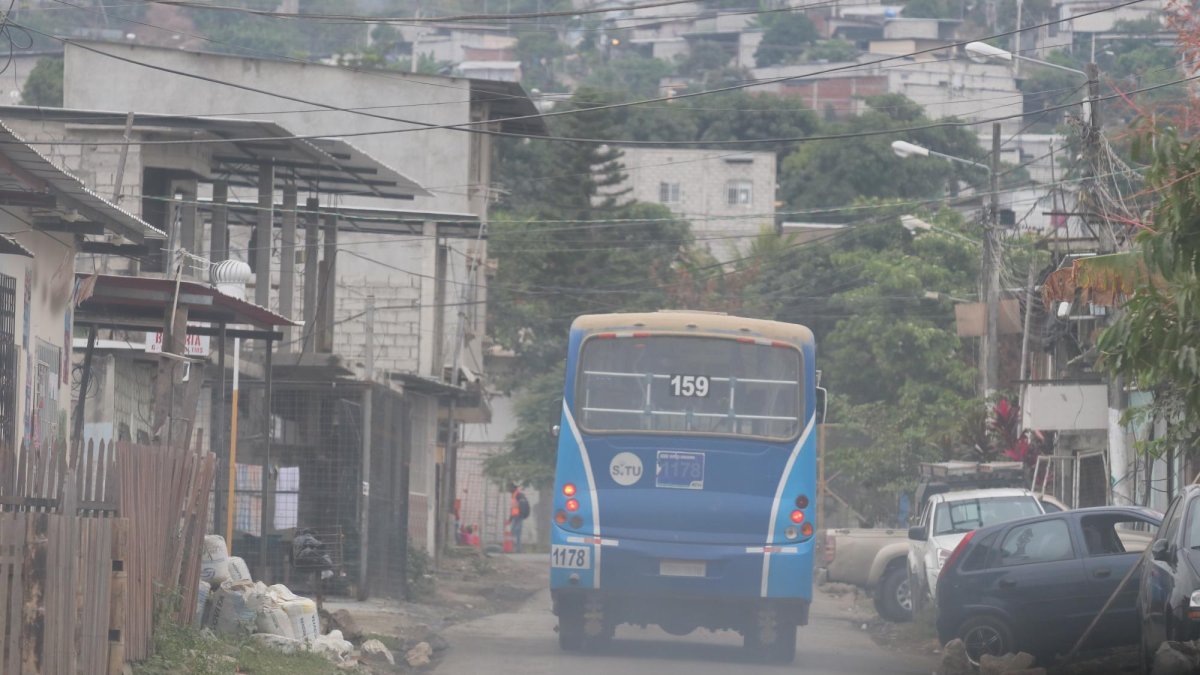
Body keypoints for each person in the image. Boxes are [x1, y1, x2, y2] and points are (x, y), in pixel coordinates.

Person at [507, 482, 530, 553]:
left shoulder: (519, 495)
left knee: (516, 531)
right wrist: (510, 519)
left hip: (518, 516)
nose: (509, 489)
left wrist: (522, 514)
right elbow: (513, 508)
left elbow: (523, 505)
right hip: (515, 516)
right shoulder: (514, 495)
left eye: (510, 488)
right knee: (514, 532)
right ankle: (514, 548)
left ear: (514, 488)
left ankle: (518, 549)